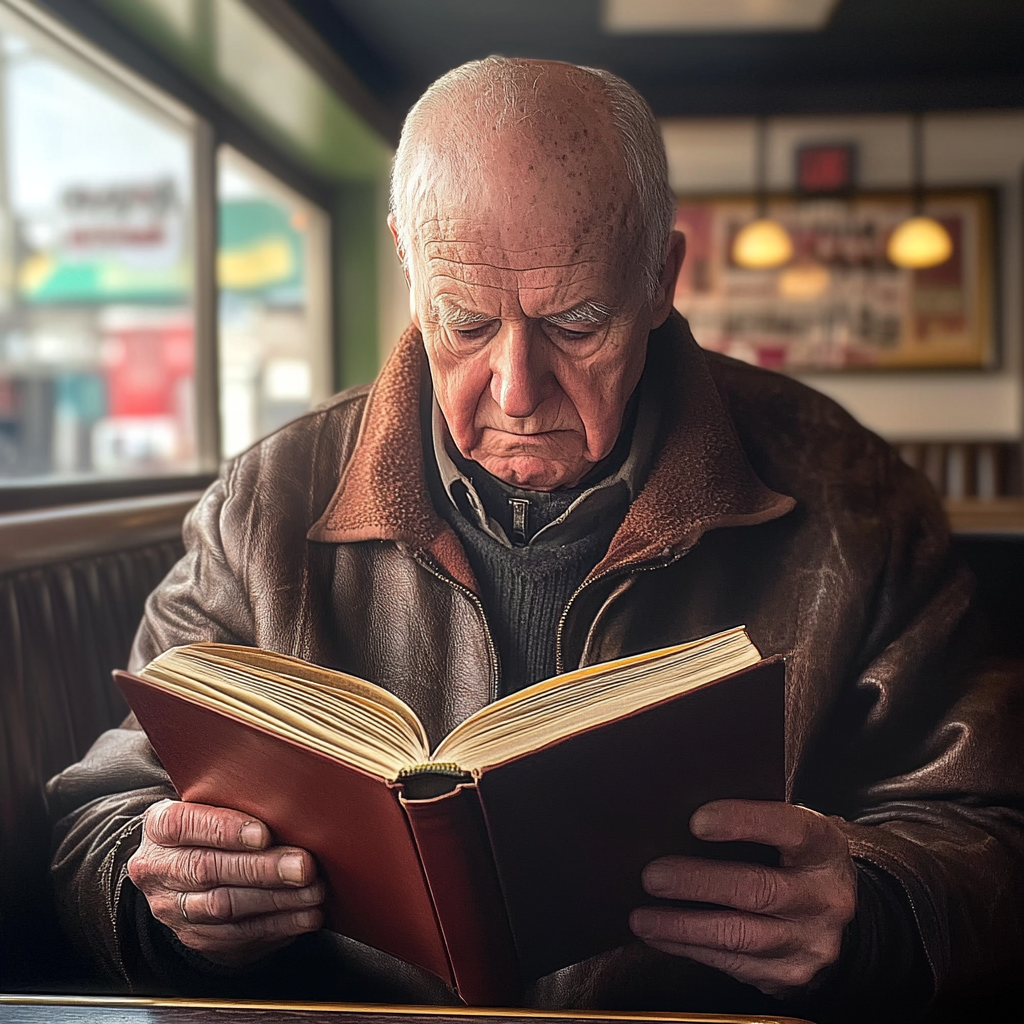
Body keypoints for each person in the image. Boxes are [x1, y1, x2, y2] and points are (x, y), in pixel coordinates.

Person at [47, 58, 1023, 1022]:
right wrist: (163, 896)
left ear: (659, 279)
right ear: (405, 262)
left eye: (577, 320)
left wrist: (874, 913)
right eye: (464, 322)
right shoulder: (264, 501)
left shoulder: (853, 497)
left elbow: (991, 835)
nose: (515, 389)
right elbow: (100, 819)